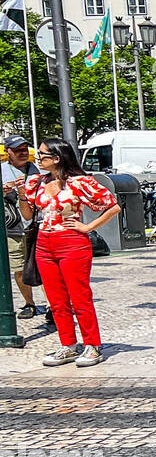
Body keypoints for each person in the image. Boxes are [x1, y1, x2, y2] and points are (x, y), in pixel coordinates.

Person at [19, 137, 121, 366]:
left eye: (43, 155)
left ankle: (92, 345)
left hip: (72, 242)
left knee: (80, 296)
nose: (38, 158)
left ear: (56, 158)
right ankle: (68, 345)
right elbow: (27, 215)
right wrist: (22, 195)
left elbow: (113, 206)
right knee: (56, 300)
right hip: (44, 243)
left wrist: (87, 227)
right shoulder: (35, 181)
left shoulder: (79, 182)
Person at [2, 135, 45, 322]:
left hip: (37, 225)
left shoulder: (38, 171)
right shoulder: (2, 170)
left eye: (25, 148)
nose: (23, 152)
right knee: (19, 268)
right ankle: (29, 303)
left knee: (45, 267)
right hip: (13, 227)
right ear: (8, 152)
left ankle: (53, 306)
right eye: (18, 149)